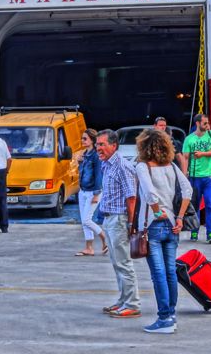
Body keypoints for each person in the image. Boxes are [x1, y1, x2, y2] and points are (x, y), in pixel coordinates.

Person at [134, 129, 192, 334]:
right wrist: (179, 217)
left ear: (144, 146)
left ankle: (164, 318)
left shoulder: (142, 167)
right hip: (173, 226)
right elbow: (188, 190)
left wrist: (158, 212)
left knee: (158, 273)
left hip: (154, 224)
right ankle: (171, 314)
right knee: (169, 272)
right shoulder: (172, 167)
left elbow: (149, 193)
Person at [96, 129, 141, 318]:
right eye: (97, 144)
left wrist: (131, 224)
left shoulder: (122, 166)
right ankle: (123, 300)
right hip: (110, 218)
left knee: (123, 262)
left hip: (119, 218)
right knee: (116, 262)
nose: (98, 148)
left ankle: (132, 303)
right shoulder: (107, 164)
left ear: (114, 146)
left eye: (102, 144)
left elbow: (132, 197)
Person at [182, 114, 211, 243]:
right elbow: (185, 157)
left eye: (207, 122)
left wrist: (203, 154)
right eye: (204, 123)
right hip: (194, 177)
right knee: (195, 205)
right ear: (197, 123)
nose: (207, 125)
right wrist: (184, 175)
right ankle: (194, 231)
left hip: (209, 177)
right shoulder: (189, 139)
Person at [75, 129, 107, 257]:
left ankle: (104, 238)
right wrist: (79, 163)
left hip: (93, 192)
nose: (82, 141)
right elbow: (83, 173)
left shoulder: (96, 156)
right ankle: (89, 248)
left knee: (87, 220)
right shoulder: (85, 155)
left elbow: (99, 175)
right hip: (83, 191)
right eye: (82, 138)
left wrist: (96, 194)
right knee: (84, 221)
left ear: (92, 141)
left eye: (85, 139)